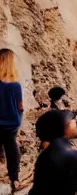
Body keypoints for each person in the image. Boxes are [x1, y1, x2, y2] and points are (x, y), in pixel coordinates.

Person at [0, 48, 27, 192]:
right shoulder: (16, 85)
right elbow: (20, 107)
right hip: (11, 125)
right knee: (13, 154)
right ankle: (15, 182)